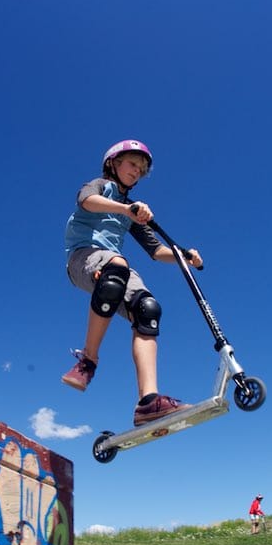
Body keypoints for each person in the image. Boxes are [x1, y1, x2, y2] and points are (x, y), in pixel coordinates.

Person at [62, 139, 203, 426]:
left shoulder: (131, 209)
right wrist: (126, 210)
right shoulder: (101, 186)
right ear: (113, 163)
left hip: (113, 263)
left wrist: (184, 256)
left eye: (141, 169)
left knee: (148, 309)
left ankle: (148, 402)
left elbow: (156, 251)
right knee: (117, 267)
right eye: (132, 164)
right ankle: (88, 360)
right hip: (82, 257)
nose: (137, 171)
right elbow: (85, 201)